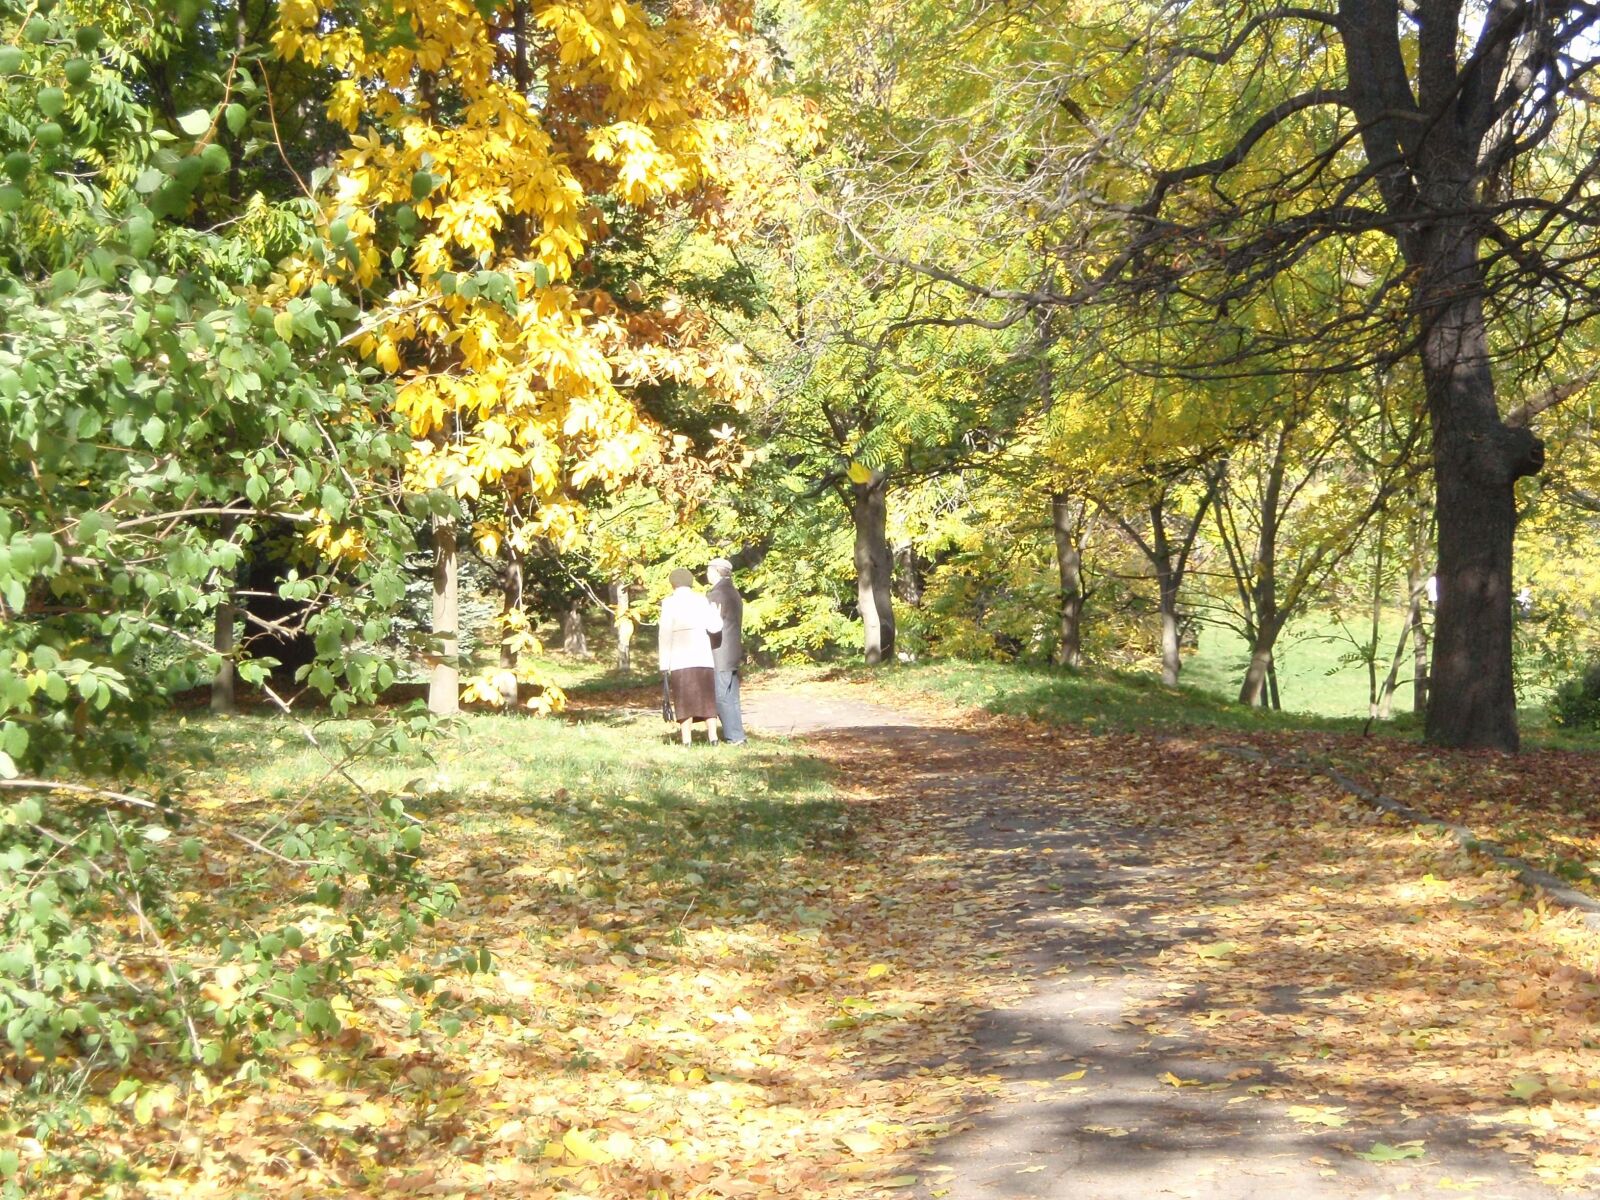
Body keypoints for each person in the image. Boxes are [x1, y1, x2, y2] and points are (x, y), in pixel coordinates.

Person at [657, 567, 724, 745]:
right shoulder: (701, 600)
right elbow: (715, 627)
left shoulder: (669, 603)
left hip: (680, 659)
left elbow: (665, 634)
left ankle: (687, 740)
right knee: (707, 698)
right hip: (703, 657)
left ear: (673, 584)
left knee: (684, 699)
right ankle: (713, 737)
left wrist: (664, 663)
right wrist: (717, 615)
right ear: (691, 582)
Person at [706, 557, 746, 744]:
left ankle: (734, 737)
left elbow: (712, 625)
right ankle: (738, 734)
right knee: (732, 697)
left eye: (708, 570)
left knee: (721, 696)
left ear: (716, 571)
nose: (706, 574)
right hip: (733, 652)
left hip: (719, 652)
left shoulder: (717, 595)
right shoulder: (733, 593)